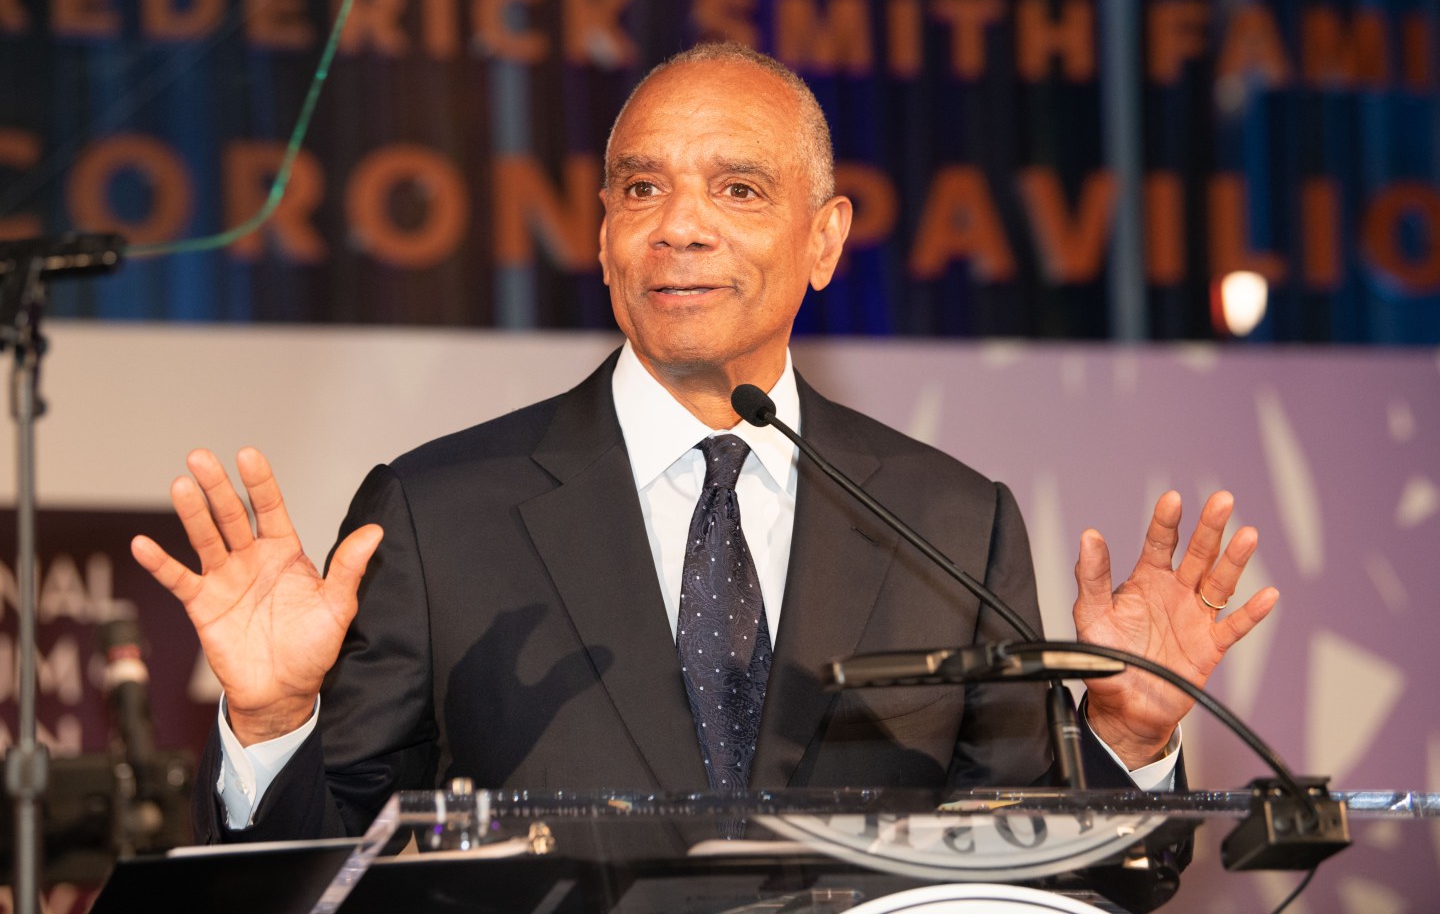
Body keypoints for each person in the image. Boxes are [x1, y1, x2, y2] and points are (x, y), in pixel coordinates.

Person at [130, 44, 1277, 843]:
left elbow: (1034, 874)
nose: (679, 225)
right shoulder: (439, 514)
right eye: (642, 188)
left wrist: (1123, 739)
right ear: (604, 238)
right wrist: (274, 724)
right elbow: (309, 878)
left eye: (737, 188)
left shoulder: (948, 523)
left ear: (824, 240)